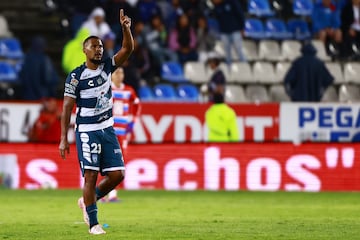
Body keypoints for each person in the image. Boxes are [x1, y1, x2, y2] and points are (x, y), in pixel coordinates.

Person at [59, 9, 134, 235]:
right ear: (84, 50)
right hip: (88, 130)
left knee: (117, 175)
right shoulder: (75, 76)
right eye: (94, 46)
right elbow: (67, 107)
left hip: (107, 128)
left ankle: (87, 200)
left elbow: (128, 49)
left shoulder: (107, 68)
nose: (99, 49)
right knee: (90, 175)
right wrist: (64, 138)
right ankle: (93, 223)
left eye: (101, 46)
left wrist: (126, 29)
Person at [104, 66, 141, 202]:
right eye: (117, 72)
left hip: (122, 132)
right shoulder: (107, 89)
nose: (120, 75)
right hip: (109, 131)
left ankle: (111, 194)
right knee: (107, 161)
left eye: (121, 72)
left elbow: (137, 105)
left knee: (120, 163)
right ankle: (108, 194)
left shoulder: (128, 91)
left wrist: (132, 123)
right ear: (111, 75)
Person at [19, 36, 59, 100]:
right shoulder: (45, 59)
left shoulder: (25, 59)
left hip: (26, 97)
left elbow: (21, 77)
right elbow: (49, 79)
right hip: (43, 98)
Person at [211, 0, 246, 64]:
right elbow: (216, 17)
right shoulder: (216, 7)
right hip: (224, 32)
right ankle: (229, 70)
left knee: (239, 50)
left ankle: (244, 65)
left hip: (235, 30)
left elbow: (240, 14)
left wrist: (242, 28)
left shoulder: (232, 2)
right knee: (227, 53)